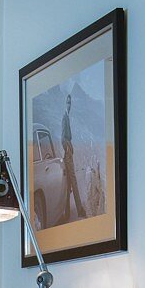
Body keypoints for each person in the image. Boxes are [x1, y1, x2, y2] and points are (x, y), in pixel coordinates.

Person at [61, 93, 86, 221]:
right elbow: (63, 137)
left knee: (69, 183)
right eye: (68, 103)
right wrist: (68, 148)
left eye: (70, 103)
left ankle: (67, 214)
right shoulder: (64, 118)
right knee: (73, 182)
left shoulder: (67, 117)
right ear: (65, 104)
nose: (69, 105)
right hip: (68, 153)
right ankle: (80, 209)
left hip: (69, 152)